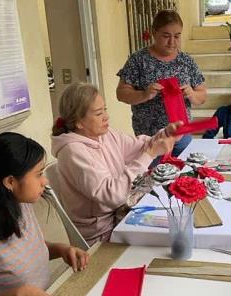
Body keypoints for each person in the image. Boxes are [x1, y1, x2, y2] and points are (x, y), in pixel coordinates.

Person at [51, 82, 180, 245]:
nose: (106, 116)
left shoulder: (104, 134)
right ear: (79, 122)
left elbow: (140, 146)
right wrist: (151, 154)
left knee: (178, 222)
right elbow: (113, 196)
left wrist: (166, 134)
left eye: (105, 109)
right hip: (102, 234)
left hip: (122, 215)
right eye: (98, 113)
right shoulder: (73, 151)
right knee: (170, 239)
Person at [0, 132, 89, 296]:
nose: (45, 181)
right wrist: (16, 294)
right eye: (39, 174)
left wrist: (61, 249)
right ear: (10, 182)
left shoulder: (21, 205)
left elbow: (25, 254)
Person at [116, 9, 206, 156]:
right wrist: (144, 94)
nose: (172, 42)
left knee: (186, 176)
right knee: (154, 178)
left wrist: (191, 94)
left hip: (181, 136)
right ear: (154, 32)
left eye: (177, 36)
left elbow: (202, 95)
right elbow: (121, 93)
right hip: (150, 139)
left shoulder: (186, 60)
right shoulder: (138, 60)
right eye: (166, 36)